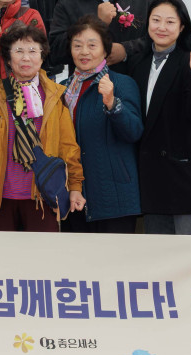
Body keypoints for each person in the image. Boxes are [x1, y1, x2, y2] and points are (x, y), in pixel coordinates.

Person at [0, 23, 84, 232]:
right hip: (0, 197)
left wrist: (75, 187)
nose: (26, 58)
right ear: (8, 58)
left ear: (42, 56)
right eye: (18, 51)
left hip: (43, 196)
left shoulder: (55, 96)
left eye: (32, 51)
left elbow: (68, 147)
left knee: (42, 253)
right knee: (1, 253)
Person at [116, 0, 191, 235]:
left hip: (185, 179)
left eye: (170, 22)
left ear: (182, 27)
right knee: (159, 254)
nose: (161, 27)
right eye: (156, 20)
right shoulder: (137, 62)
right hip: (152, 179)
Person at [59, 16, 144, 233]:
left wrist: (112, 104)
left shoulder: (122, 83)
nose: (84, 52)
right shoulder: (62, 89)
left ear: (105, 50)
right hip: (73, 196)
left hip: (115, 198)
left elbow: (134, 131)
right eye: (77, 45)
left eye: (92, 45)